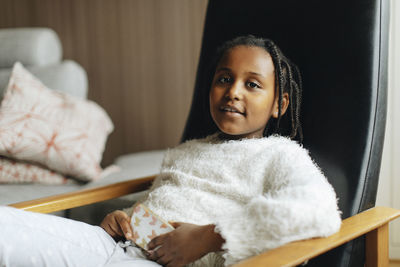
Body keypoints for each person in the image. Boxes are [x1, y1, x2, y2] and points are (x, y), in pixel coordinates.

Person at [0, 35, 341, 267]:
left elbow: (318, 211)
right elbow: (168, 202)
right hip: (114, 248)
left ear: (279, 103)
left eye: (252, 84)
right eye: (224, 79)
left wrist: (208, 237)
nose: (233, 92)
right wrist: (125, 221)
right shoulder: (186, 151)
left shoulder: (280, 155)